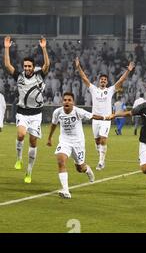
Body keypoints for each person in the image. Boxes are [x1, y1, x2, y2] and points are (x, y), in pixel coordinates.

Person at [3, 36, 50, 183]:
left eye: (29, 66)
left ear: (33, 67)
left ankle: (29, 172)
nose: (27, 68)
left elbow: (47, 64)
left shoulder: (39, 75)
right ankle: (18, 159)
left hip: (36, 115)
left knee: (33, 142)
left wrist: (43, 48)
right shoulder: (19, 76)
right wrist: (6, 48)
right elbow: (7, 65)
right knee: (21, 134)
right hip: (22, 112)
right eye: (25, 66)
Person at [75, 57, 134, 170]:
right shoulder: (93, 89)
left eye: (104, 80)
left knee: (103, 139)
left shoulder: (111, 90)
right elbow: (84, 78)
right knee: (97, 141)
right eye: (101, 79)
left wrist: (128, 70)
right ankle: (101, 158)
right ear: (99, 81)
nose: (103, 81)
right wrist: (78, 67)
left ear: (107, 82)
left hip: (106, 119)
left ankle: (101, 162)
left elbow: (121, 80)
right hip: (95, 120)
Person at [46, 92, 104, 199]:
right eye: (65, 100)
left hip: (78, 143)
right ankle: (66, 190)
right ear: (62, 102)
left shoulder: (78, 111)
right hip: (64, 141)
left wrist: (105, 118)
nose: (66, 102)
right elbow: (53, 124)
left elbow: (92, 116)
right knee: (60, 161)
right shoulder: (57, 112)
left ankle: (88, 170)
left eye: (69, 100)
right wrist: (49, 138)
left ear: (73, 103)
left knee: (80, 168)